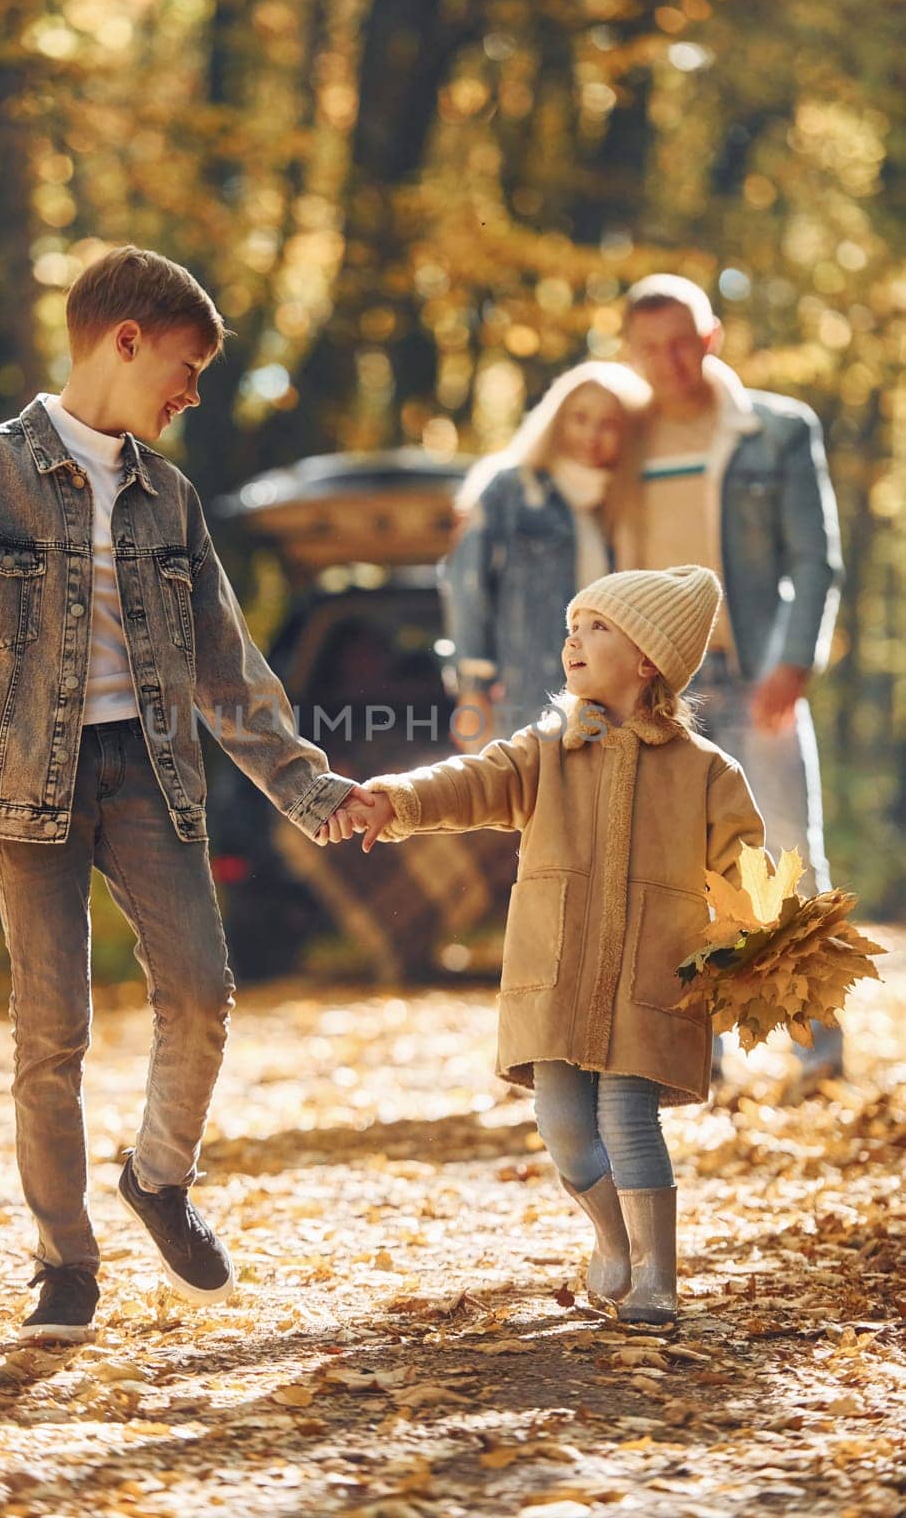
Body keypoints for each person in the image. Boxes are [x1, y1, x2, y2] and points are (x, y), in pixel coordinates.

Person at [0, 245, 373, 1342]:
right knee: (48, 1030)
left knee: (201, 989)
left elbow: (225, 664)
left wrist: (305, 785)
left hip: (149, 774)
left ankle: (158, 1177)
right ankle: (64, 1260)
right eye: (187, 366)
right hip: (27, 789)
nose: (191, 392)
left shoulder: (171, 497)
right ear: (125, 340)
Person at [319, 565, 768, 1323]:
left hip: (649, 978)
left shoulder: (705, 772)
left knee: (627, 1119)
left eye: (596, 627)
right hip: (555, 974)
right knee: (563, 1127)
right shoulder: (547, 749)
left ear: (648, 659)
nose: (572, 641)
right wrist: (397, 797)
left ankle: (657, 1275)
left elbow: (744, 871)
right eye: (572, 627)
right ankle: (615, 1244)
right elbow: (473, 781)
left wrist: (754, 944)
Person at [621, 275, 845, 1090]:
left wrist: (791, 663)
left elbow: (814, 560)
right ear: (630, 354)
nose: (668, 360)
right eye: (649, 347)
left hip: (757, 675)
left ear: (711, 337)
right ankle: (697, 1060)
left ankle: (817, 1056)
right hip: (662, 687)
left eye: (682, 340)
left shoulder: (777, 429)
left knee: (788, 859)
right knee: (678, 874)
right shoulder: (623, 437)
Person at [439, 361, 650, 750]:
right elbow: (466, 587)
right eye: (580, 418)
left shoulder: (629, 504)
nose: (591, 434)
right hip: (522, 698)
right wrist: (472, 688)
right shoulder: (511, 490)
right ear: (557, 420)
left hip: (607, 708)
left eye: (608, 424)